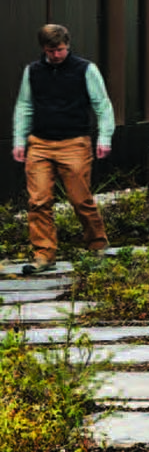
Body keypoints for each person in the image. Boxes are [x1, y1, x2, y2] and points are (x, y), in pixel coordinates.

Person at [12, 24, 114, 273]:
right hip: (40, 143)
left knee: (80, 199)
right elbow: (24, 106)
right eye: (50, 50)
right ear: (43, 48)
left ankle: (97, 244)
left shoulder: (85, 69)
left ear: (67, 45)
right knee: (38, 201)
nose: (56, 55)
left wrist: (105, 138)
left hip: (75, 143)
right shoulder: (33, 71)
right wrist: (19, 140)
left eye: (60, 49)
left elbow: (102, 105)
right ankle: (44, 255)